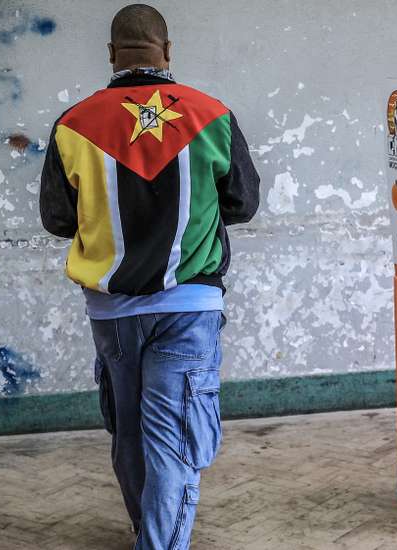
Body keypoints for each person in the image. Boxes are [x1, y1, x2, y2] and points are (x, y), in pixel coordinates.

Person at [38, 5, 260, 549]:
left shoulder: (73, 125)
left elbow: (57, 219)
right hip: (189, 307)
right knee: (174, 438)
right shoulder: (213, 117)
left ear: (113, 55)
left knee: (132, 431)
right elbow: (243, 204)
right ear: (168, 51)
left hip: (112, 315)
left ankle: (150, 531)